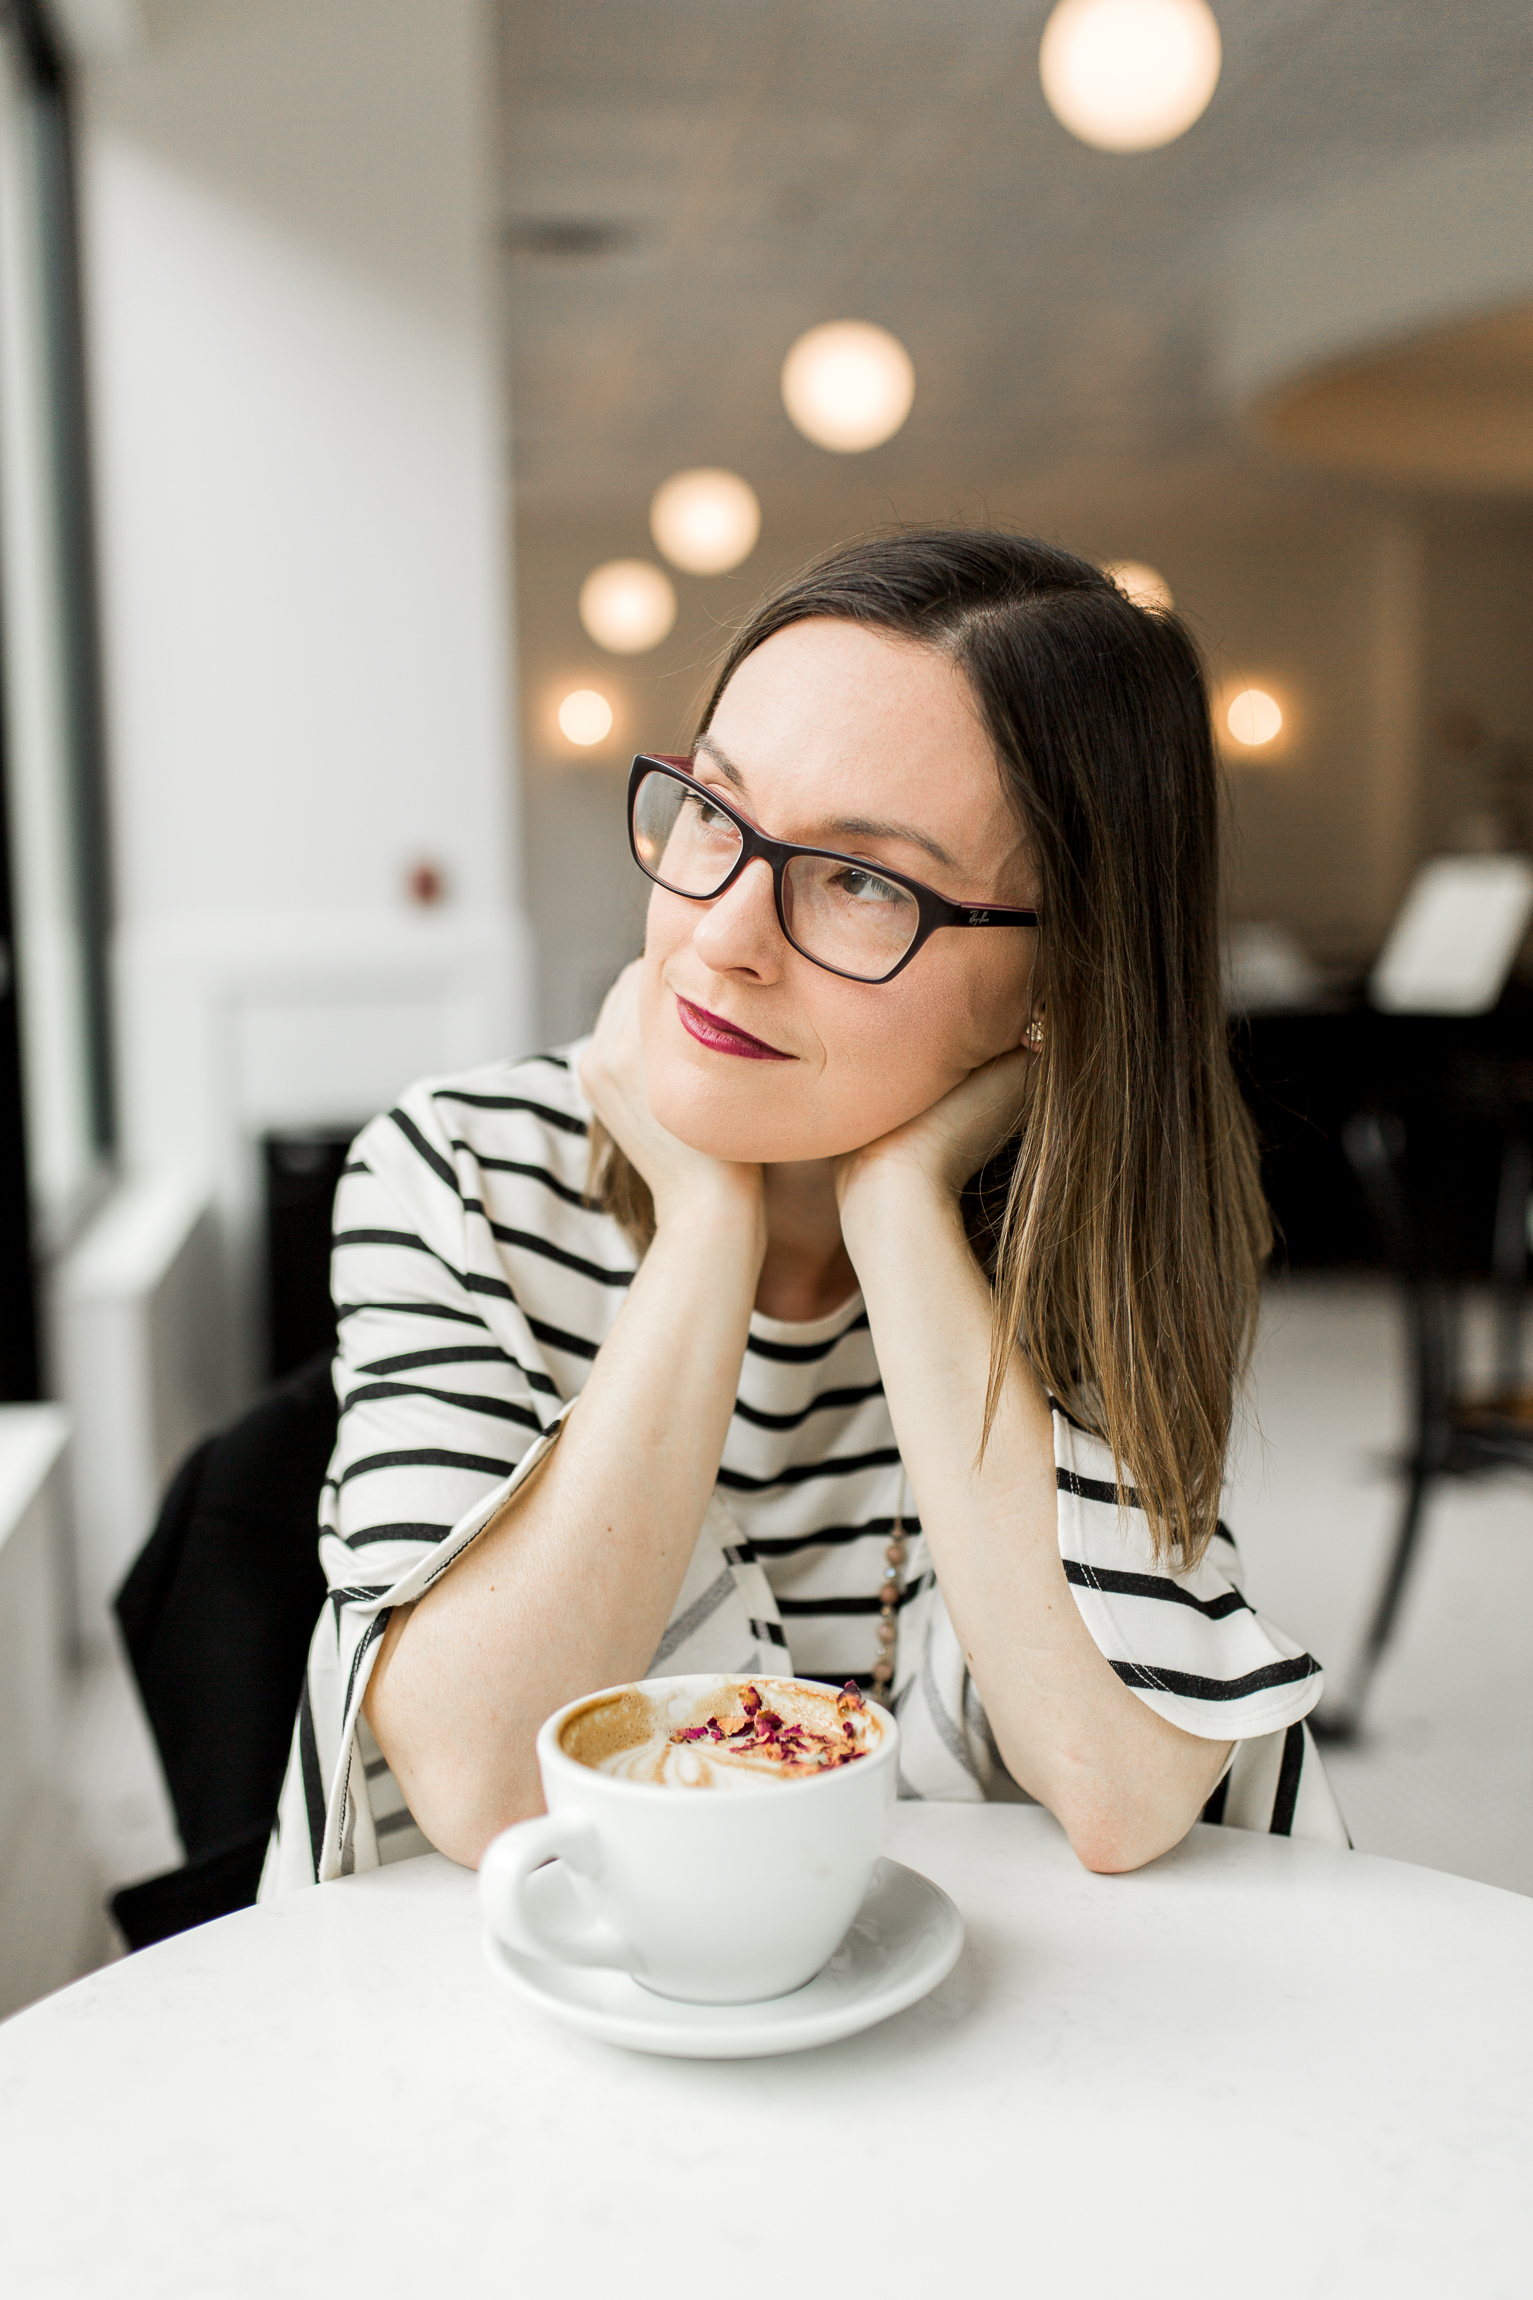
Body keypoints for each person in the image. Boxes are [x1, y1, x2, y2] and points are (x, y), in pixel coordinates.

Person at [263, 529, 1345, 1897]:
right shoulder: (459, 1170)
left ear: (1060, 975)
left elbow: (1121, 1785)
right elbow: (479, 1781)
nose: (721, 934)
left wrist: (896, 1213)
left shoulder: (1086, 1233)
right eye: (714, 811)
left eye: (862, 882)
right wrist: (705, 1223)